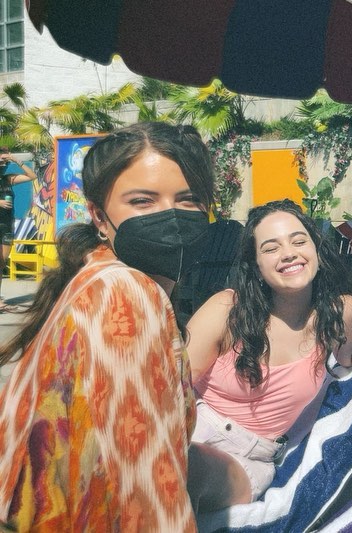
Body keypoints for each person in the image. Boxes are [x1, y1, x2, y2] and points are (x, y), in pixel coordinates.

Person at [0, 122, 214, 531]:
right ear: (99, 216)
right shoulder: (124, 293)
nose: (170, 216)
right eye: (142, 201)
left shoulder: (98, 277)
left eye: (188, 200)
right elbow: (144, 489)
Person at [185, 199, 352, 512]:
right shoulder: (228, 310)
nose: (288, 253)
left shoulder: (339, 312)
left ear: (316, 249)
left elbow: (350, 351)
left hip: (247, 459)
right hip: (192, 427)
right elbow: (169, 389)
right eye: (271, 248)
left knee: (189, 468)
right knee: (174, 464)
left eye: (298, 241)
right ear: (257, 266)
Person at [0, 149, 38, 312]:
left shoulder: (8, 179)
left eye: (5, 162)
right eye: (2, 161)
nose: (3, 164)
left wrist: (16, 160)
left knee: (2, 262)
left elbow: (32, 176)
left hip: (7, 224)